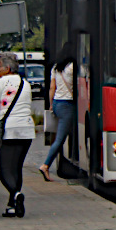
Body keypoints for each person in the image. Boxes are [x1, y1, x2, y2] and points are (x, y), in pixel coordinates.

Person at [0, 52, 34, 217]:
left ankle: (16, 194)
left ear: (7, 68)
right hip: (26, 130)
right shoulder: (26, 84)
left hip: (8, 130)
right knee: (17, 167)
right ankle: (12, 204)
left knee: (3, 168)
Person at [38, 43, 76, 182]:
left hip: (57, 104)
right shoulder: (72, 67)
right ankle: (46, 165)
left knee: (65, 134)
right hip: (68, 104)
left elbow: (52, 88)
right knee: (60, 139)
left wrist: (51, 105)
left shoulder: (55, 67)